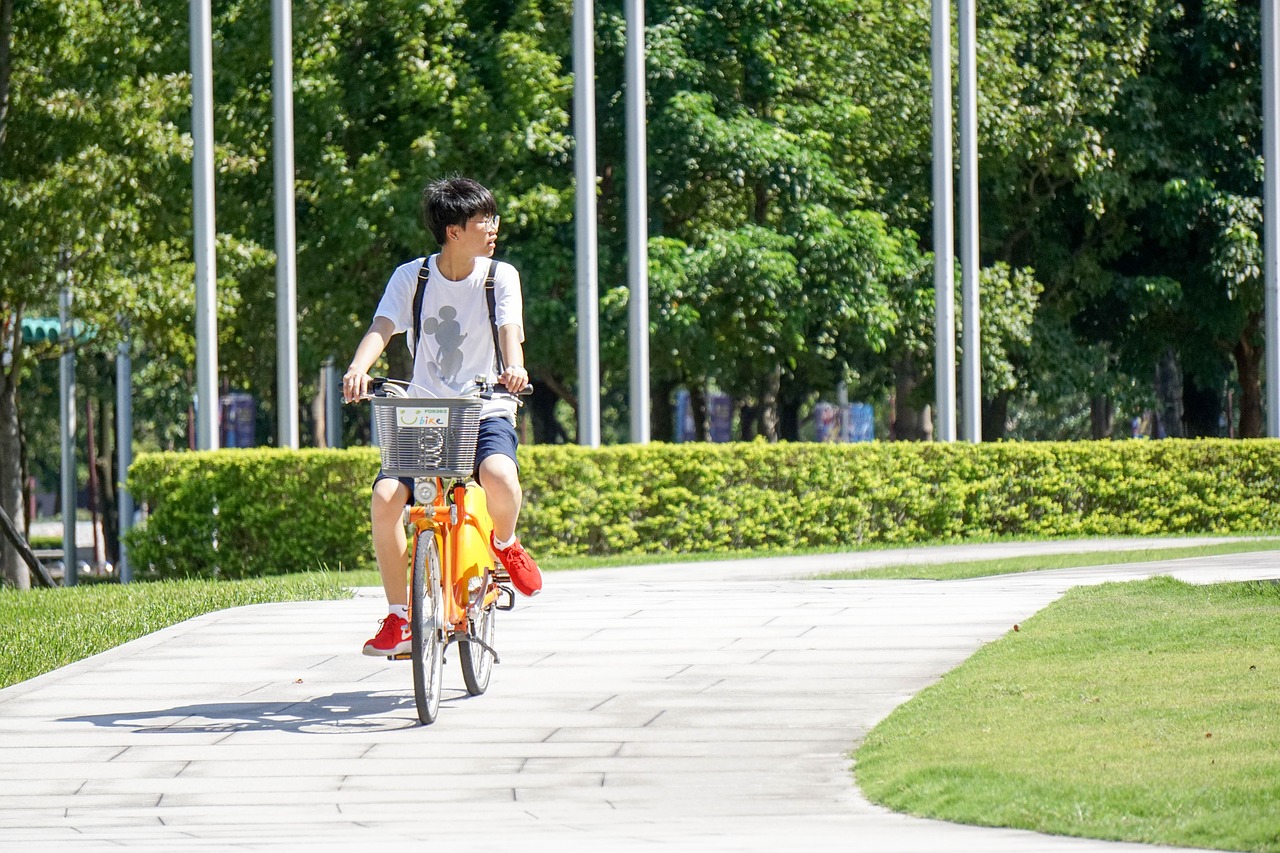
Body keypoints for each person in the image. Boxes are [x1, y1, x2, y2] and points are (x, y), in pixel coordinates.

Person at [343, 176, 542, 657]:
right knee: (387, 499)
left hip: (485, 403)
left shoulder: (500, 276)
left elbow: (508, 327)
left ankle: (505, 543)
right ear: (454, 230)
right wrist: (357, 367)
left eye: (492, 218)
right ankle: (399, 616)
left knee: (499, 475)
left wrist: (513, 367)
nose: (493, 227)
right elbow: (383, 326)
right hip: (426, 411)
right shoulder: (414, 277)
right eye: (483, 220)